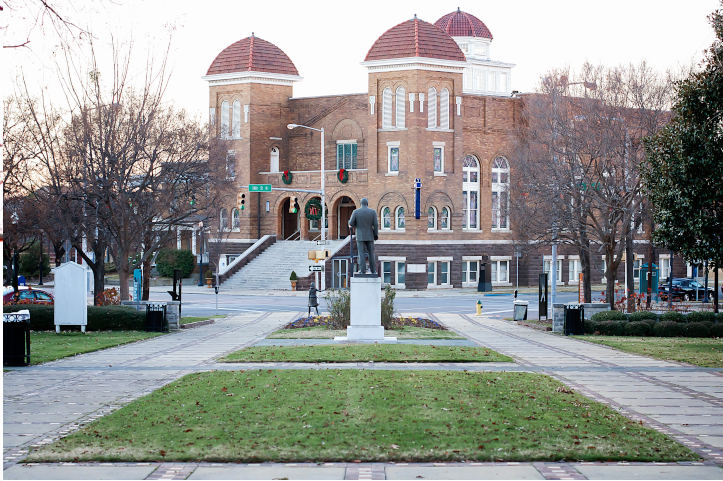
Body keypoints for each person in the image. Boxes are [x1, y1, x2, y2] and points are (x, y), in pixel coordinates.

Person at [348, 198, 378, 275]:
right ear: (367, 203)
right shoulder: (372, 212)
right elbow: (376, 224)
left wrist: (353, 224)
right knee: (371, 253)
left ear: (361, 203)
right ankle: (373, 270)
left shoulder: (356, 212)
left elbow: (351, 222)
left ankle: (362, 270)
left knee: (361, 253)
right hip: (370, 235)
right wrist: (375, 234)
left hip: (360, 235)